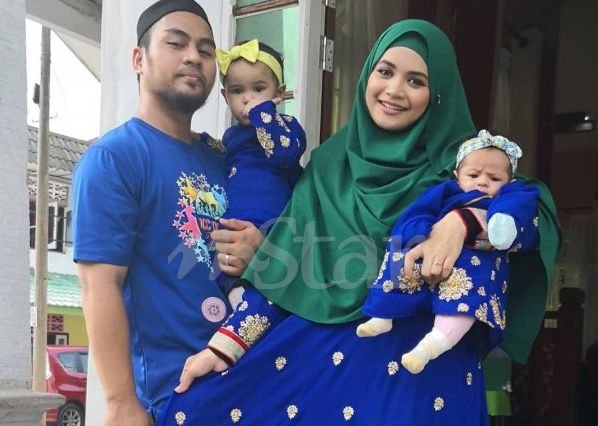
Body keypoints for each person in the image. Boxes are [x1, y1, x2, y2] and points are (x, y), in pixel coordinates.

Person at [158, 20, 560, 425]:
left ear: (438, 94)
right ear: (368, 75)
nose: (394, 90)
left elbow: (531, 220)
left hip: (421, 377)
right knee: (196, 409)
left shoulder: (464, 167)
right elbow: (282, 273)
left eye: (416, 81)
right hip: (325, 363)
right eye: (385, 72)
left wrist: (462, 223)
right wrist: (223, 348)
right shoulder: (330, 166)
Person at [72, 0, 263, 422]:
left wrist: (260, 248)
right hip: (175, 395)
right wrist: (121, 403)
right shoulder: (115, 158)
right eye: (176, 44)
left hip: (248, 380)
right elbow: (99, 286)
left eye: (206, 50)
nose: (194, 56)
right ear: (139, 59)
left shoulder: (225, 157)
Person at [356, 130, 540, 375]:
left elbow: (519, 208)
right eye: (473, 175)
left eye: (494, 178)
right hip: (428, 251)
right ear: (457, 176)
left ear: (510, 182)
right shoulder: (446, 192)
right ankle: (383, 313)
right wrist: (421, 232)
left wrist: (502, 222)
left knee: (468, 293)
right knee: (400, 251)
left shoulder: (512, 195)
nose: (482, 182)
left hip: (476, 262)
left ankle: (432, 345)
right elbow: (418, 212)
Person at [212, 39, 306, 303]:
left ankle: (252, 306)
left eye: (258, 89)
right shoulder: (230, 137)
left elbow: (281, 152)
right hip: (234, 222)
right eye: (237, 91)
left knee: (269, 281)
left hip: (273, 225)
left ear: (280, 92)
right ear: (226, 97)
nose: (248, 98)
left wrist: (264, 113)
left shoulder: (288, 127)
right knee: (223, 270)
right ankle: (236, 303)